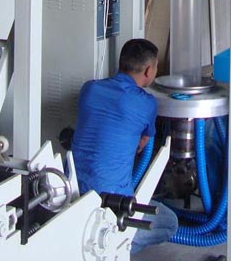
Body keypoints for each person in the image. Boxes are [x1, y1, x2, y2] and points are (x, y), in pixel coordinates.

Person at [71, 38, 178, 254]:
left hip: (71, 194)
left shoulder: (89, 89)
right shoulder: (146, 103)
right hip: (113, 204)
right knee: (170, 222)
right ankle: (115, 248)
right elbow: (142, 143)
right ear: (148, 70)